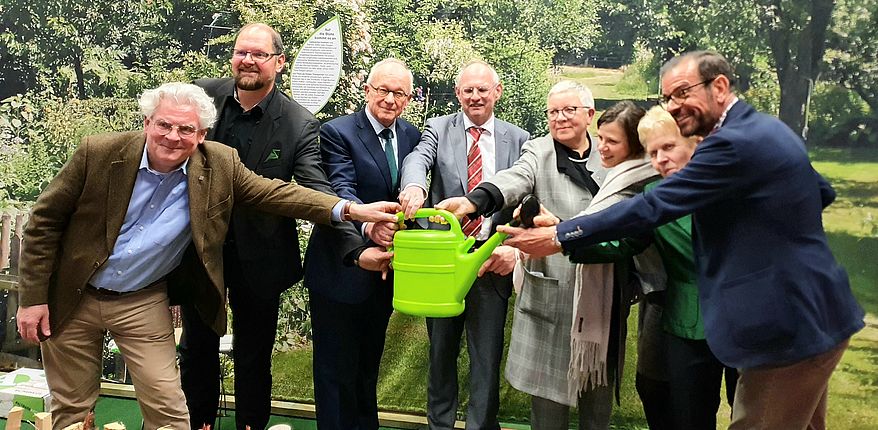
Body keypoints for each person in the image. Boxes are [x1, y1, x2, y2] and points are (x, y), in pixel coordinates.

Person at [498, 51, 865, 430]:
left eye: (682, 93)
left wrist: (560, 235)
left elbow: (652, 207)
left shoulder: (730, 144)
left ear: (719, 86)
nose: (674, 106)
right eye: (667, 98)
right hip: (812, 315)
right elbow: (821, 192)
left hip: (786, 325)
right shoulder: (765, 130)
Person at [14, 82, 399, 430]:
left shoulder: (219, 163)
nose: (172, 136)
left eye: (186, 129)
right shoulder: (98, 153)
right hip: (74, 295)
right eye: (164, 125)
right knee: (73, 409)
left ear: (201, 134)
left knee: (169, 410)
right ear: (147, 122)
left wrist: (352, 211)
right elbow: (44, 223)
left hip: (141, 301)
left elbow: (279, 194)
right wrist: (32, 299)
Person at [179, 23, 353, 430]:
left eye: (258, 54)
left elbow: (316, 190)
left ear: (279, 62)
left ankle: (250, 426)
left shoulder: (298, 123)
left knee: (254, 356)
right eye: (242, 52)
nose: (248, 61)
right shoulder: (200, 96)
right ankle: (196, 423)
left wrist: (356, 239)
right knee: (196, 347)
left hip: (261, 259)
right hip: (201, 252)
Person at [398, 60, 530, 430]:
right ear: (457, 94)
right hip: (444, 266)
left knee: (486, 360)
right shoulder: (438, 128)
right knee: (440, 356)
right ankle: (439, 425)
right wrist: (414, 186)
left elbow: (524, 191)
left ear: (497, 93)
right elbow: (417, 159)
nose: (475, 96)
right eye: (467, 90)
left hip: (489, 261)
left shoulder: (518, 139)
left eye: (482, 89)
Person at [303, 58, 421, 430]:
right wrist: (370, 230)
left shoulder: (412, 136)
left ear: (408, 98)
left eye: (399, 93)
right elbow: (340, 189)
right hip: (341, 267)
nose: (389, 99)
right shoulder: (336, 132)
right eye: (383, 89)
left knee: (368, 367)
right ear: (367, 89)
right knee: (335, 369)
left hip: (384, 272)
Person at [636, 106, 738, 429]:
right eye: (653, 153)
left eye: (668, 147)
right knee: (689, 420)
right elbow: (619, 239)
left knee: (758, 418)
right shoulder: (654, 197)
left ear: (695, 142)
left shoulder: (740, 185)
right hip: (686, 325)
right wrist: (560, 235)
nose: (660, 159)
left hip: (749, 321)